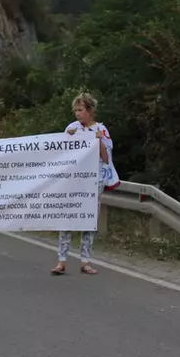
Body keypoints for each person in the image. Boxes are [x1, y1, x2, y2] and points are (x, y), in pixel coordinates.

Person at [51, 92, 118, 276]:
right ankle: (61, 261)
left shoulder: (101, 130)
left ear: (90, 110)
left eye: (80, 110)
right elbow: (61, 155)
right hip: (73, 181)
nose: (77, 114)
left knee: (88, 220)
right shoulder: (72, 128)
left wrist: (99, 141)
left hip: (94, 181)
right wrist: (68, 138)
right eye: (75, 110)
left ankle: (85, 261)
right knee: (67, 219)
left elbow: (106, 158)